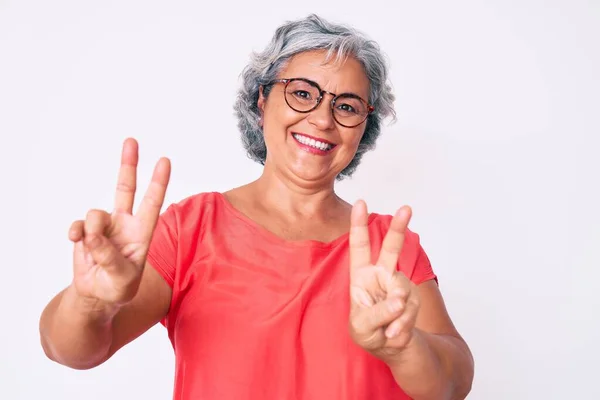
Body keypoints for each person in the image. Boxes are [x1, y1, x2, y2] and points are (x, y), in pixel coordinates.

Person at [39, 14, 474, 400]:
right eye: (303, 93)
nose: (323, 119)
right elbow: (70, 351)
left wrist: (403, 346)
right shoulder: (192, 229)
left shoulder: (389, 246)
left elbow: (453, 385)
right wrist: (93, 303)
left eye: (346, 106)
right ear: (262, 100)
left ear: (365, 127)